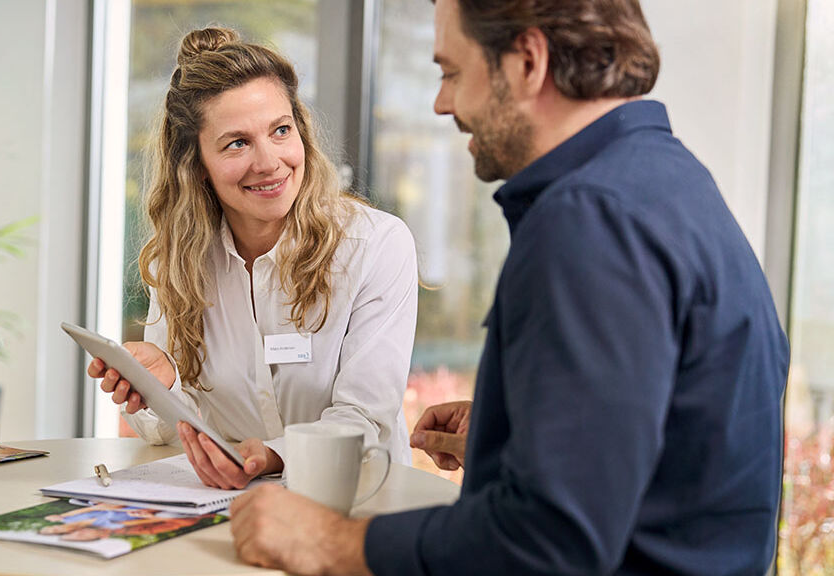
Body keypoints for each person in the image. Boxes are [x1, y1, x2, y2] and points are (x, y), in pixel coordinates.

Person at [228, 0, 790, 574]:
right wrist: (532, 432)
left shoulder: (587, 221)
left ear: (527, 61)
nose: (442, 102)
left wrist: (330, 542)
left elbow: (547, 542)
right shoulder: (666, 180)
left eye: (451, 72)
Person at [88, 27, 418, 490]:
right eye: (237, 143)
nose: (268, 162)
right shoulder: (178, 262)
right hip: (231, 507)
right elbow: (170, 433)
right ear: (196, 164)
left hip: (357, 501)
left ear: (301, 132)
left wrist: (272, 455)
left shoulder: (376, 245)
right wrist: (162, 387)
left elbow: (364, 417)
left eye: (280, 131)